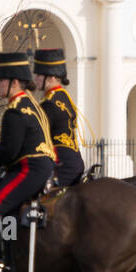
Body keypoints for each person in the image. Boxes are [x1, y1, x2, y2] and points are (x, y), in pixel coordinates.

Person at [0, 52, 56, 272]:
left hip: (30, 167)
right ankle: (9, 252)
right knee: (7, 208)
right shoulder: (32, 104)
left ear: (14, 82)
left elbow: (9, 152)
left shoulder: (15, 110)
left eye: (2, 81)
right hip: (39, 165)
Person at [33, 48, 84, 188]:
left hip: (62, 165)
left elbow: (36, 137)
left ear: (50, 78)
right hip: (74, 161)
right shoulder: (63, 97)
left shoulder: (49, 103)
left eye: (39, 75)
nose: (35, 78)